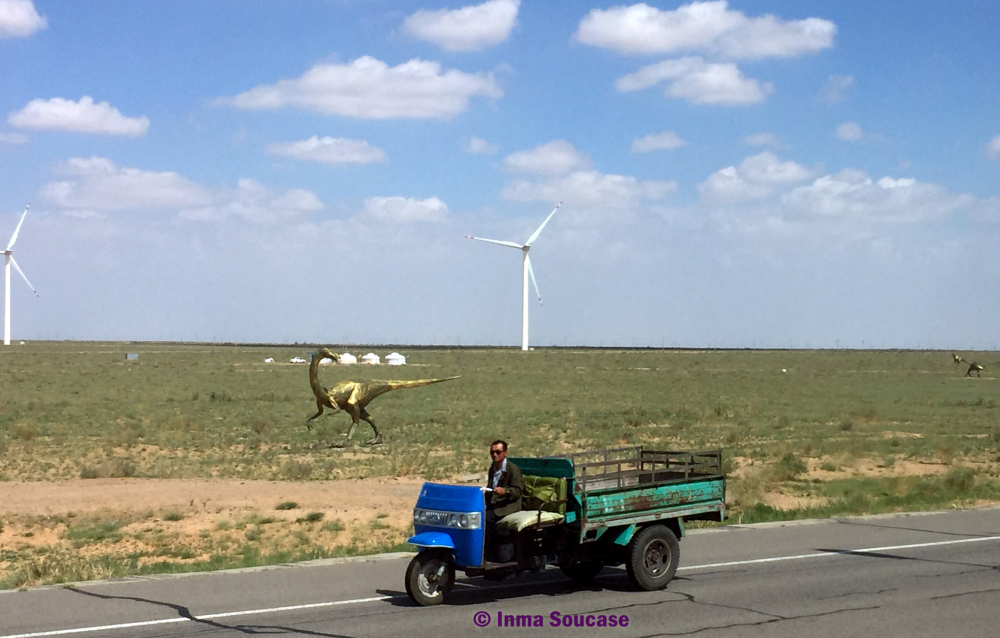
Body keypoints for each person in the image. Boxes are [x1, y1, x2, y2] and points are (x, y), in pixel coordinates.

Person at [484, 439, 523, 561]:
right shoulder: (493, 469)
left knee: (486, 519)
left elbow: (518, 491)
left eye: (498, 452)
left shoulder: (513, 470)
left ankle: (485, 554)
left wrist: (505, 491)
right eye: (492, 452)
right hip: (495, 504)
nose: (494, 455)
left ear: (505, 453)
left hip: (508, 506)